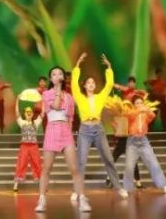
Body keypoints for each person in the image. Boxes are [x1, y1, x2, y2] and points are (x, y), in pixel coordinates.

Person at [35, 64, 92, 214]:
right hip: (52, 130)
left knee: (74, 168)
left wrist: (68, 130)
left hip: (65, 132)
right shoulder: (46, 94)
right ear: (51, 78)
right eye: (54, 74)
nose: (57, 76)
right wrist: (58, 90)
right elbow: (55, 106)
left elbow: (71, 118)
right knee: (46, 168)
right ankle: (42, 199)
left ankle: (82, 198)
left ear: (63, 77)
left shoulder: (70, 98)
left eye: (60, 74)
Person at [72, 53, 124, 199]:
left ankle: (118, 187)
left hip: (98, 130)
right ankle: (77, 190)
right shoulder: (80, 97)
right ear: (84, 85)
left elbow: (109, 85)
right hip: (85, 131)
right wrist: (77, 65)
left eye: (93, 82)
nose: (91, 84)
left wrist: (109, 68)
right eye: (89, 82)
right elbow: (74, 85)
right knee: (81, 162)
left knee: (109, 159)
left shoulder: (100, 97)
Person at [121, 95, 166, 193]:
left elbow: (152, 116)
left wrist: (146, 110)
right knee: (129, 166)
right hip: (132, 142)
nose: (139, 105)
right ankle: (126, 188)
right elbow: (129, 115)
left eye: (141, 103)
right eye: (137, 103)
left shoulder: (145, 114)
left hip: (143, 141)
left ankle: (163, 185)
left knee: (154, 163)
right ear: (133, 105)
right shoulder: (131, 113)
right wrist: (140, 110)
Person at [13, 94, 42, 192]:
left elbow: (43, 114)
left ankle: (41, 183)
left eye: (30, 112)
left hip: (34, 146)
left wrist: (43, 101)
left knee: (37, 163)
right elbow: (16, 113)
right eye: (27, 112)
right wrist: (17, 100)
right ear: (25, 114)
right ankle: (16, 184)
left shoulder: (35, 123)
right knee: (21, 163)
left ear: (32, 114)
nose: (29, 113)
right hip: (24, 146)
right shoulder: (22, 122)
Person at [109, 98, 140, 189]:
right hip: (121, 142)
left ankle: (138, 181)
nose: (126, 108)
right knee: (112, 160)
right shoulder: (119, 117)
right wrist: (115, 128)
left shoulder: (132, 118)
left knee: (133, 162)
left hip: (129, 142)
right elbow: (116, 130)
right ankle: (109, 178)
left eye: (128, 107)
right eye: (124, 107)